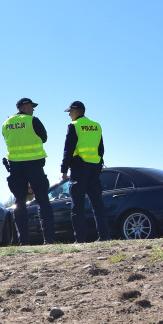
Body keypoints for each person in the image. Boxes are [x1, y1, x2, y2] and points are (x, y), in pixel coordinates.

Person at [1, 97, 55, 245]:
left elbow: (7, 139)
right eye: (32, 107)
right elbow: (44, 138)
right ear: (25, 107)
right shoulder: (32, 120)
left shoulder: (6, 123)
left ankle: (23, 240)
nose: (33, 110)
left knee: (19, 203)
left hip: (15, 166)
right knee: (43, 201)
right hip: (34, 165)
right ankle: (49, 239)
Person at [60, 100, 111, 242]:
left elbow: (68, 149)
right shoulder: (96, 125)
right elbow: (101, 149)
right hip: (94, 168)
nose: (69, 114)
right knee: (97, 203)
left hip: (79, 168)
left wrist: (64, 169)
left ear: (77, 111)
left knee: (77, 205)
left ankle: (80, 239)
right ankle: (104, 236)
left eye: (70, 111)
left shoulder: (74, 125)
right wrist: (98, 164)